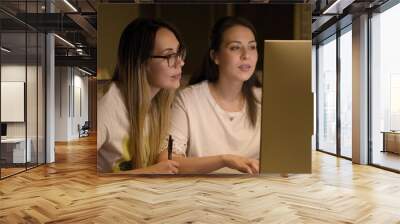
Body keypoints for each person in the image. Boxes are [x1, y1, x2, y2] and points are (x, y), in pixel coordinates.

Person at [159, 16, 261, 174]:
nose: (246, 55)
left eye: (252, 47)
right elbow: (168, 162)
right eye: (235, 47)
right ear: (215, 56)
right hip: (201, 195)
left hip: (257, 193)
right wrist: (224, 160)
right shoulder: (189, 100)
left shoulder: (266, 100)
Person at [97, 18, 186, 174]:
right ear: (141, 62)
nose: (180, 63)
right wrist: (149, 173)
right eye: (169, 56)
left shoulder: (158, 104)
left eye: (179, 53)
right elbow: (79, 181)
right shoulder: (106, 107)